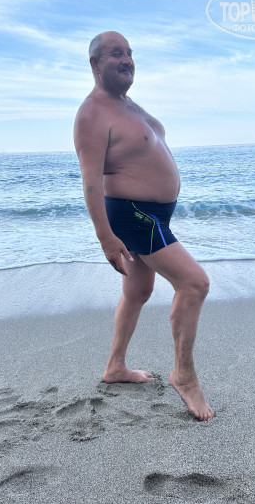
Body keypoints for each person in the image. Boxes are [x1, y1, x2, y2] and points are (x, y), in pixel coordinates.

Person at [74, 31, 214, 421]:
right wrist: (105, 237)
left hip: (151, 214)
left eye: (130, 53)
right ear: (95, 64)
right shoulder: (92, 113)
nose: (127, 59)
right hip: (134, 214)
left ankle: (115, 366)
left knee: (138, 290)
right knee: (194, 283)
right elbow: (90, 181)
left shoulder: (126, 105)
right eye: (116, 53)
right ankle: (184, 374)